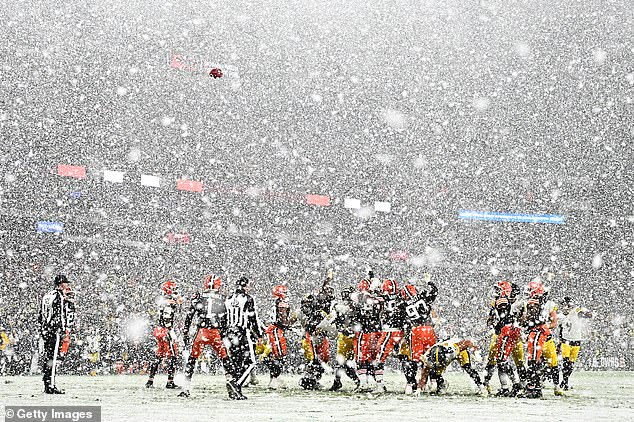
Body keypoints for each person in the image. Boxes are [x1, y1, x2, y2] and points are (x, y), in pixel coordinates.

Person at [179, 275, 231, 397]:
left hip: (202, 331)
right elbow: (225, 317)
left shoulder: (199, 297)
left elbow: (190, 315)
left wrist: (186, 330)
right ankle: (231, 383)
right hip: (215, 331)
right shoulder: (222, 298)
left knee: (192, 359)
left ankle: (185, 387)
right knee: (225, 358)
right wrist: (224, 332)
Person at [520, 278, 562, 398]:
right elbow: (525, 319)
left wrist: (543, 327)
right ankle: (535, 387)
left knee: (551, 362)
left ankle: (554, 386)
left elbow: (554, 323)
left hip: (544, 337)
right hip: (537, 333)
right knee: (533, 361)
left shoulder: (548, 305)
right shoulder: (529, 303)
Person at [224, 276, 263, 400]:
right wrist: (259, 335)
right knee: (250, 363)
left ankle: (236, 390)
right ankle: (236, 384)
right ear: (245, 286)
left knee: (235, 362)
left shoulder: (228, 298)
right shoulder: (248, 299)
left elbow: (224, 317)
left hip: (229, 333)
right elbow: (253, 317)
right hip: (241, 332)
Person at [401, 277, 438, 390]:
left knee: (414, 359)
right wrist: (429, 282)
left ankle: (411, 383)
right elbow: (434, 291)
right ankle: (434, 382)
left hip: (416, 330)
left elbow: (402, 320)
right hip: (429, 329)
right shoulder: (422, 297)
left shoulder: (403, 305)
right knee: (430, 357)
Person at [38, 274, 73, 394]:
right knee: (53, 358)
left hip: (46, 330)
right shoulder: (59, 296)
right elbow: (60, 315)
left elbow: (41, 314)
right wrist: (62, 330)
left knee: (48, 357)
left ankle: (46, 382)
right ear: (61, 284)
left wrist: (43, 329)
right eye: (66, 283)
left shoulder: (47, 295)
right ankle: (50, 385)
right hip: (54, 331)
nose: (67, 285)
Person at [146, 280, 182, 389]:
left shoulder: (163, 300)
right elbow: (167, 317)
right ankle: (170, 382)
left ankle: (150, 380)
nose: (175, 291)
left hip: (159, 330)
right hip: (166, 330)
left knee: (159, 355)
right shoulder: (169, 302)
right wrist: (170, 331)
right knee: (173, 356)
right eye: (174, 289)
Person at [374, 278, 408, 392]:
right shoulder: (401, 296)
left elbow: (371, 300)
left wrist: (372, 289)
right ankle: (412, 383)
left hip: (389, 331)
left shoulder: (382, 297)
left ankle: (380, 385)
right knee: (405, 358)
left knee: (379, 358)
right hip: (401, 332)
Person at [418, 339, 483, 395]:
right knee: (434, 373)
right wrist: (419, 389)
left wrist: (476, 352)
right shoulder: (427, 358)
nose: (439, 366)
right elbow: (423, 376)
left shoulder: (453, 350)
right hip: (442, 354)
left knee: (468, 368)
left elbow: (469, 342)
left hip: (459, 352)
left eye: (440, 364)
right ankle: (442, 384)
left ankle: (480, 386)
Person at [354, 274, 384, 392]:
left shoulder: (361, 297)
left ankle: (363, 384)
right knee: (376, 359)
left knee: (361, 359)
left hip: (365, 332)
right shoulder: (380, 298)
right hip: (377, 332)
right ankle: (380, 385)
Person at [329, 286, 361, 391]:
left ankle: (362, 381)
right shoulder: (340, 307)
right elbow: (332, 320)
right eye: (345, 294)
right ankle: (338, 381)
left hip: (356, 337)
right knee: (341, 362)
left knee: (361, 362)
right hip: (345, 337)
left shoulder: (357, 307)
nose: (346, 297)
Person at [264, 284, 295, 389]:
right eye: (284, 292)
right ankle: (275, 379)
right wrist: (289, 325)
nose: (286, 294)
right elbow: (283, 318)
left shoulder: (275, 302)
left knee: (274, 354)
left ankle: (274, 378)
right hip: (276, 330)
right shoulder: (282, 303)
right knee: (278, 355)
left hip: (273, 329)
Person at [558, 296, 593, 391]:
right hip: (566, 340)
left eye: (565, 305)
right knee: (566, 362)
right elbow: (561, 329)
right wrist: (559, 341)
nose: (564, 308)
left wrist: (583, 313)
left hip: (576, 340)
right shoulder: (561, 316)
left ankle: (565, 381)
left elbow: (589, 315)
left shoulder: (575, 311)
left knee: (571, 364)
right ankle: (565, 382)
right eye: (563, 306)